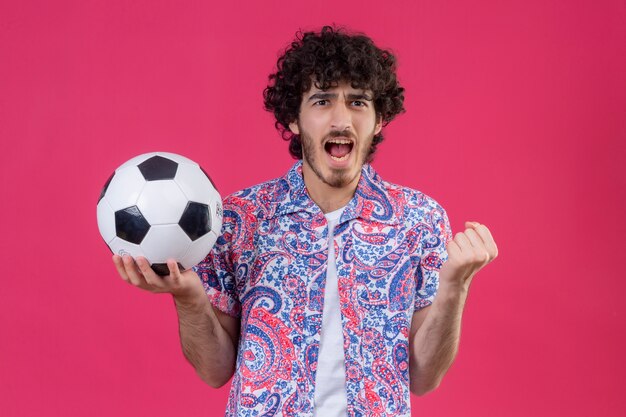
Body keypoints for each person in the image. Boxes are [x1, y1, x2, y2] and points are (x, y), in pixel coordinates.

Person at [113, 26, 498, 417]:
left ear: (380, 119)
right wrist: (188, 296)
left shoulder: (420, 220)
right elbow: (214, 371)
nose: (341, 120)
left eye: (358, 102)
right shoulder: (238, 219)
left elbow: (424, 378)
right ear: (293, 119)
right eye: (322, 101)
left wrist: (456, 285)